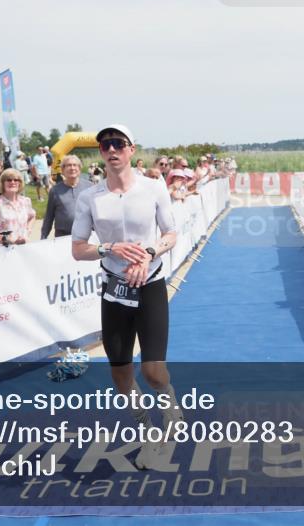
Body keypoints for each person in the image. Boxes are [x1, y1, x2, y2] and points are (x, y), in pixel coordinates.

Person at [71, 124, 179, 470]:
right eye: (105, 146)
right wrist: (109, 247)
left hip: (150, 284)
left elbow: (172, 233)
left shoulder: (153, 188)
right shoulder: (89, 196)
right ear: (100, 153)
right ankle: (148, 433)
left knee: (153, 372)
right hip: (114, 289)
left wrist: (148, 253)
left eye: (119, 144)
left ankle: (172, 414)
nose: (112, 150)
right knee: (120, 376)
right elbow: (77, 249)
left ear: (132, 149)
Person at [42, 155, 93, 239]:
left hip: (87, 235)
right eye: (68, 165)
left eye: (75, 165)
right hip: (63, 236)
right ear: (62, 170)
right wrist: (43, 237)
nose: (72, 168)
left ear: (79, 169)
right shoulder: (55, 191)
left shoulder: (90, 187)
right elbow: (49, 216)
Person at [0, 168, 35, 246]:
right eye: (9, 180)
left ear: (20, 183)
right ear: (2, 183)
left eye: (16, 180)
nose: (13, 182)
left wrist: (27, 232)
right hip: (3, 248)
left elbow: (32, 216)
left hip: (23, 247)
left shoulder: (25, 201)